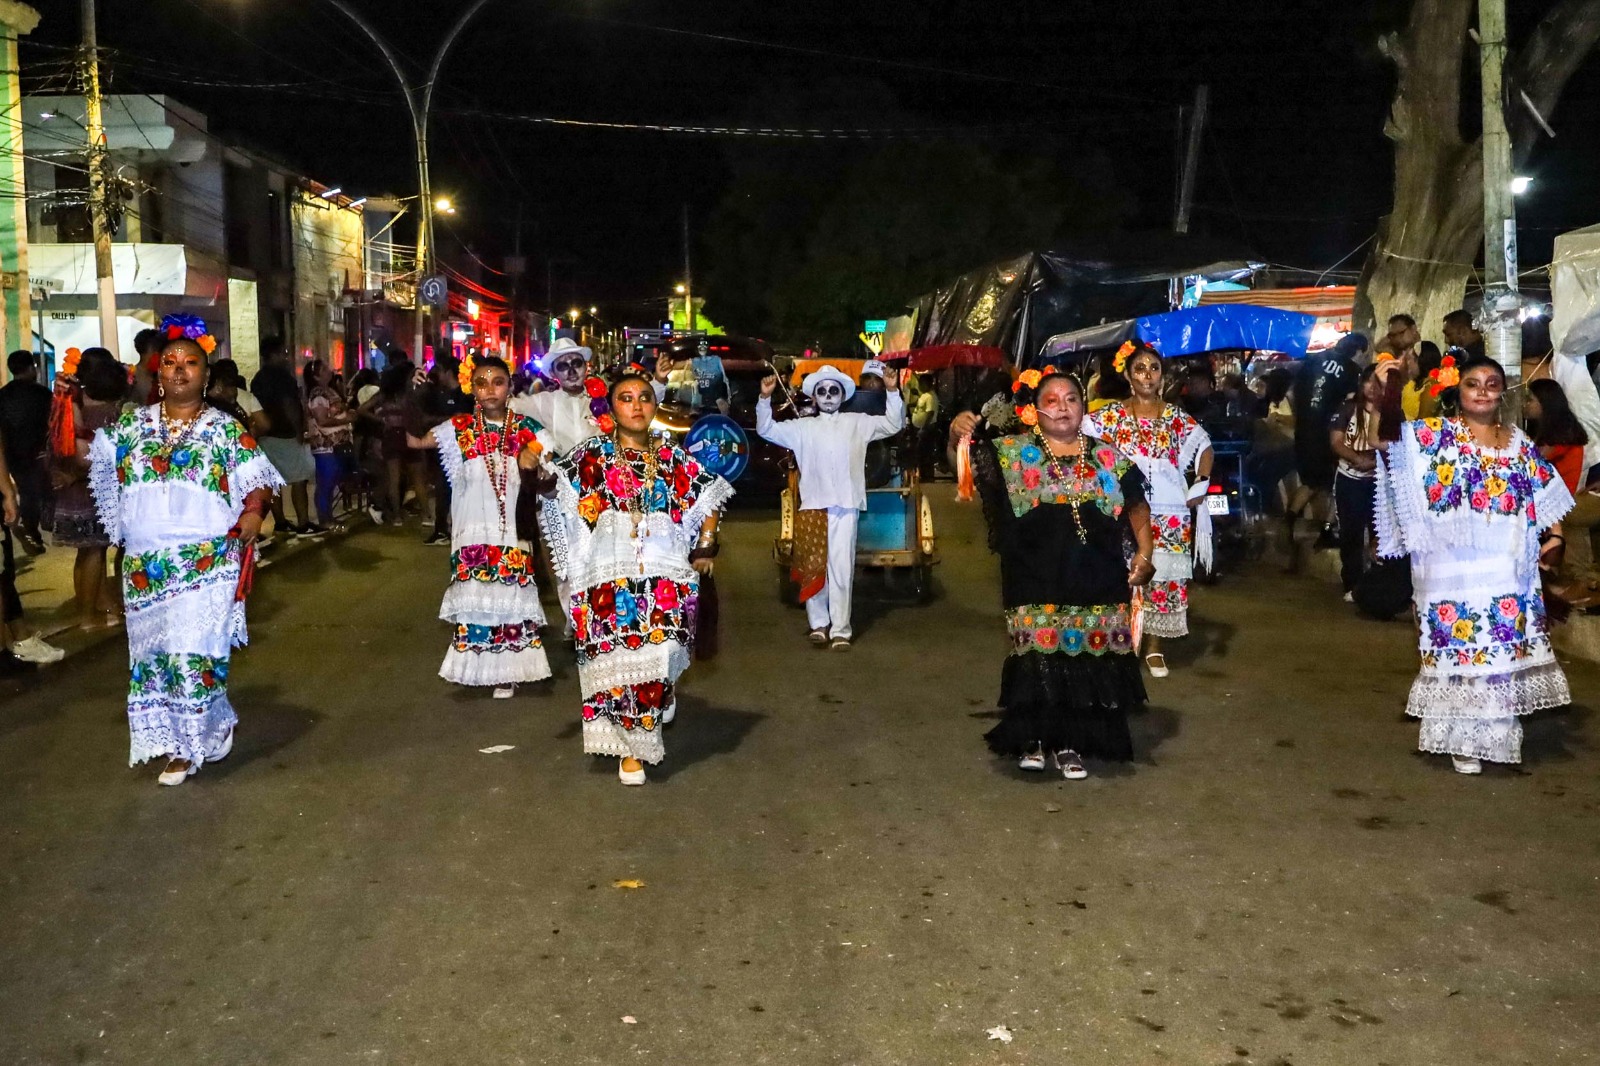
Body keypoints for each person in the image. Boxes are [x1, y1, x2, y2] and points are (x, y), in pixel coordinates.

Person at [88, 337, 283, 786]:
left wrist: (253, 511)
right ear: (157, 376)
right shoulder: (129, 428)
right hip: (145, 566)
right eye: (170, 363)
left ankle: (185, 749)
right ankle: (211, 725)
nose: (179, 370)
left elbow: (258, 479)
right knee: (155, 657)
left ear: (206, 376)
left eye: (190, 363)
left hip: (207, 561)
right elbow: (89, 463)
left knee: (193, 652)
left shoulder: (225, 429)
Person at [1373, 354, 1572, 774]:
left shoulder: (1519, 443)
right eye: (1473, 383)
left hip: (1505, 569)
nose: (1482, 390)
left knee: (1498, 658)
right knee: (1459, 654)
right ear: (1458, 391)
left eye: (1492, 383)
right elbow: (1382, 443)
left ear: (1502, 393)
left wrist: (1553, 539)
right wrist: (1380, 395)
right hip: (1448, 569)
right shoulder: (1433, 435)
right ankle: (1459, 739)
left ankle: (1493, 739)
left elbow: (1544, 499)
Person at [539, 372, 733, 784]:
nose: (637, 405)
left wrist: (705, 545)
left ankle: (655, 701)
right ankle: (634, 750)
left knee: (660, 652)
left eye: (645, 397)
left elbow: (711, 491)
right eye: (626, 398)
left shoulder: (670, 457)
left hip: (664, 569)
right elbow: (552, 486)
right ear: (611, 409)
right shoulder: (591, 455)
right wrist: (532, 467)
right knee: (620, 658)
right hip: (608, 569)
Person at [963, 370, 1155, 778]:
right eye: (1052, 400)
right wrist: (953, 438)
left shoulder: (1108, 456)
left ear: (1083, 408)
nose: (1063, 407)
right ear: (1035, 410)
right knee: (1038, 654)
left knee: (1087, 656)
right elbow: (966, 469)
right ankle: (1034, 739)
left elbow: (1137, 504)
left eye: (1071, 399)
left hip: (1097, 576)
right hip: (1034, 574)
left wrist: (1145, 551)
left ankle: (1070, 743)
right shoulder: (1011, 452)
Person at [407, 357, 555, 698]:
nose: (490, 389)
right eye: (481, 383)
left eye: (498, 381)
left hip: (512, 532)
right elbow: (415, 441)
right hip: (471, 527)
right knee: (477, 600)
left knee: (509, 599)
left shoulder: (528, 429)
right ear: (471, 388)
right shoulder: (458, 428)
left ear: (510, 387)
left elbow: (550, 481)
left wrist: (537, 471)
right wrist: (413, 397)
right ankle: (476, 668)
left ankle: (508, 671)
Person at [1084, 343, 1212, 678]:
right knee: (1122, 579)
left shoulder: (1174, 417)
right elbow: (1076, 438)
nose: (1147, 375)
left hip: (1170, 512)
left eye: (1153, 368)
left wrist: (1200, 481)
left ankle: (1155, 650)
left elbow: (1204, 446)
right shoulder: (1110, 416)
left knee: (1163, 580)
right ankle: (1122, 645)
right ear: (1127, 375)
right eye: (1139, 368)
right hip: (1124, 512)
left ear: (1162, 376)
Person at [756, 364, 904, 649]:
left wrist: (892, 391)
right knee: (814, 566)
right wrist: (764, 399)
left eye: (832, 391)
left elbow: (893, 424)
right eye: (821, 391)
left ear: (842, 395)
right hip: (813, 506)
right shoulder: (802, 427)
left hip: (846, 506)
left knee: (841, 568)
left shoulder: (857, 422)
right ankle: (818, 624)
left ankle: (841, 629)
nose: (827, 396)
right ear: (814, 397)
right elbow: (766, 428)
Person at [47, 347, 126, 629]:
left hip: (77, 486)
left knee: (90, 552)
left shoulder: (71, 398)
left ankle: (96, 605)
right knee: (94, 551)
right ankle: (86, 616)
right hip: (90, 486)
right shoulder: (91, 400)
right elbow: (82, 454)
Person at [1288, 332, 1367, 562]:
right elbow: (1352, 403)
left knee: (1312, 481)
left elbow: (1293, 393)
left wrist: (1301, 416)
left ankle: (1290, 520)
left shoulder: (1314, 359)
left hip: (1303, 429)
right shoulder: (1352, 370)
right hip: (1328, 432)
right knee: (1336, 480)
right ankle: (1328, 529)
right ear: (1359, 351)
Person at [251, 340, 319, 536]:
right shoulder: (281, 377)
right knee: (299, 478)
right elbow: (289, 404)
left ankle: (280, 521)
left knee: (274, 480)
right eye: (283, 353)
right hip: (285, 433)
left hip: (266, 434)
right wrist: (299, 430)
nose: (286, 357)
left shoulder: (259, 378)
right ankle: (303, 522)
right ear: (273, 355)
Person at [1330, 364, 1385, 600]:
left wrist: (1373, 463)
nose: (1372, 387)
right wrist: (1356, 458)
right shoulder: (1348, 409)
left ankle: (1379, 584)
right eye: (1368, 381)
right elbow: (1336, 441)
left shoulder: (1391, 413)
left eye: (1378, 382)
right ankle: (1352, 582)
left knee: (1380, 533)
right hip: (1349, 480)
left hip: (1379, 483)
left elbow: (1397, 444)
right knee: (1351, 533)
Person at [0, 349, 53, 554]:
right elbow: (52, 423)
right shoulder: (42, 394)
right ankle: (29, 528)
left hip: (11, 454)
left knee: (25, 489)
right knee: (35, 493)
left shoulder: (3, 395)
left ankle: (32, 533)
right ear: (32, 368)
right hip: (37, 452)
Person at [418, 356, 474, 546]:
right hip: (442, 452)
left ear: (449, 372)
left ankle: (463, 530)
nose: (437, 375)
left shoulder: (465, 395)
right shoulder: (435, 394)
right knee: (443, 490)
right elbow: (425, 418)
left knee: (462, 491)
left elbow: (462, 419)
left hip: (463, 451)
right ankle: (441, 529)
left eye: (440, 370)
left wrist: (445, 420)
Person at [511, 338, 601, 456]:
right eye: (563, 366)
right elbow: (506, 405)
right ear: (553, 373)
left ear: (586, 366)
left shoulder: (603, 400)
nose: (572, 371)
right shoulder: (543, 402)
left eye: (576, 363)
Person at [304, 358, 355, 532]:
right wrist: (347, 419)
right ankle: (324, 519)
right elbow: (322, 420)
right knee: (326, 482)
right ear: (316, 376)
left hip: (335, 444)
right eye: (324, 369)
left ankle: (328, 517)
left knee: (331, 481)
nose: (329, 370)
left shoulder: (328, 391)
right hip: (325, 445)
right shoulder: (318, 394)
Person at [1525, 377, 1588, 494]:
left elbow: (1529, 463)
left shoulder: (1561, 437)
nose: (1525, 404)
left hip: (1556, 499)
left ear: (1545, 403)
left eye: (1530, 400)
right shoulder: (1544, 428)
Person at [1402, 342, 1444, 421]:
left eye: (1410, 360)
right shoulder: (1416, 381)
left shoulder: (1432, 387)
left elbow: (1422, 422)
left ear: (1420, 362)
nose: (1408, 364)